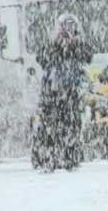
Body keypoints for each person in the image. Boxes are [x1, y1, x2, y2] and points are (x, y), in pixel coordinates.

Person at [34, 13, 93, 170]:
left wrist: (74, 44)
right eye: (64, 27)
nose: (67, 31)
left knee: (72, 125)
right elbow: (41, 58)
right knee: (48, 126)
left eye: (71, 27)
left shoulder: (78, 44)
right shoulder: (51, 45)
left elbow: (88, 57)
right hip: (51, 93)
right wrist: (55, 44)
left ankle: (70, 156)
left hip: (71, 93)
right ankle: (48, 157)